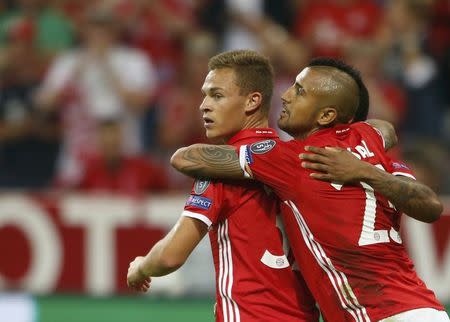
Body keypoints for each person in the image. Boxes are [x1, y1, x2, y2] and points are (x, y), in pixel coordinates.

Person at [170, 57, 448, 322]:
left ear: (326, 114)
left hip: (377, 313)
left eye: (300, 91)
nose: (285, 95)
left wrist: (361, 171)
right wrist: (368, 169)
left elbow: (186, 158)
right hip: (423, 307)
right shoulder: (373, 142)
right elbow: (428, 202)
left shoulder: (296, 159)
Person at [127, 50, 320, 322]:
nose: (204, 105)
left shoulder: (220, 166)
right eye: (205, 95)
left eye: (217, 95)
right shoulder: (299, 159)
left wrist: (141, 267)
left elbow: (171, 256)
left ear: (253, 101)